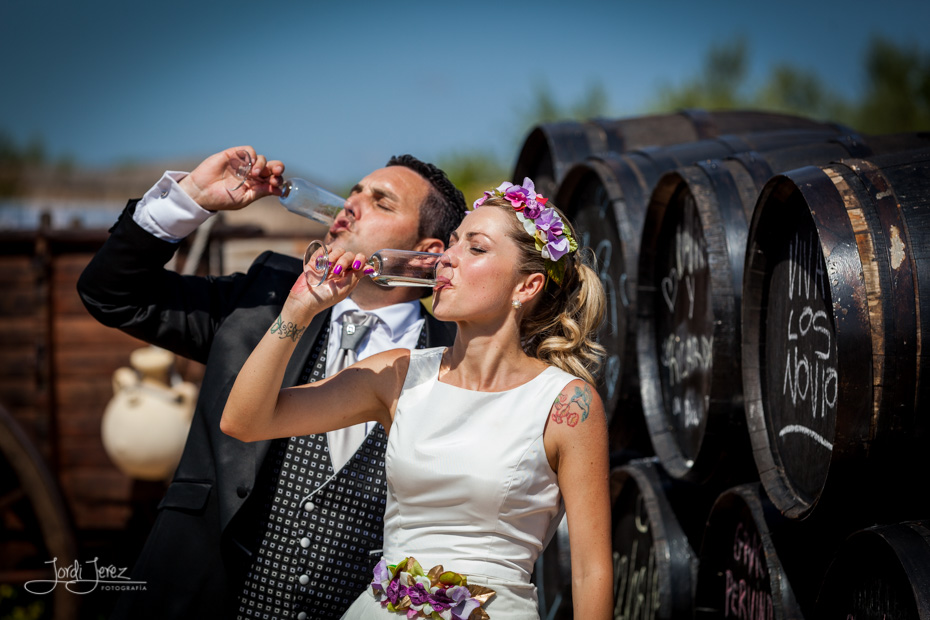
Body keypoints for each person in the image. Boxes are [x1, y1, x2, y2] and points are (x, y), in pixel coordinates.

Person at [76, 145, 467, 619]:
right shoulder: (262, 295)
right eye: (355, 192)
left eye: (381, 202)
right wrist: (193, 196)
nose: (351, 205)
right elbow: (111, 293)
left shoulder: (457, 355)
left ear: (426, 255)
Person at [221, 178, 614, 619]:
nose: (447, 258)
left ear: (527, 286)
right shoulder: (400, 373)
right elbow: (245, 421)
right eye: (452, 242)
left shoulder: (567, 405)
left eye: (475, 248)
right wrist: (299, 309)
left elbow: (590, 571)